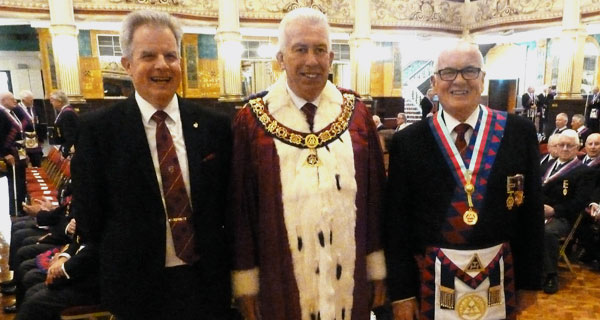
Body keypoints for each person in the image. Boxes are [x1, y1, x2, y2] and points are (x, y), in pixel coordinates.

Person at [71, 10, 232, 319]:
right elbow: (90, 218)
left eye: (171, 55)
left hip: (206, 282)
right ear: (128, 65)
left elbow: (227, 204)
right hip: (135, 288)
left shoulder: (215, 126)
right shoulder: (98, 130)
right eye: (148, 56)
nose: (162, 65)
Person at [229, 7, 386, 320]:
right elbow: (240, 211)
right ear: (281, 58)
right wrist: (245, 284)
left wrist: (377, 269)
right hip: (280, 279)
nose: (311, 61)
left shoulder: (357, 115)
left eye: (320, 50)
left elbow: (376, 201)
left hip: (349, 278)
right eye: (300, 49)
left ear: (331, 58)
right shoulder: (251, 121)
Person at [385, 42, 544, 320]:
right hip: (429, 283)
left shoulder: (519, 132)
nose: (459, 80)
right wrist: (402, 292)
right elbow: (396, 223)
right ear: (433, 83)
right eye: (448, 72)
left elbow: (531, 214)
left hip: (500, 278)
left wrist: (530, 282)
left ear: (483, 79)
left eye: (469, 71)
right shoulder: (408, 141)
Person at [541, 130, 593, 294]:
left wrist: (554, 211)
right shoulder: (548, 165)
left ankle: (550, 275)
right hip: (541, 211)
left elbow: (579, 202)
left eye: (569, 145)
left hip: (564, 217)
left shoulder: (584, 171)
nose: (564, 148)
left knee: (547, 232)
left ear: (578, 147)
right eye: (560, 145)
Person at [0, 91, 26, 216]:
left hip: (19, 150)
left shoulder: (12, 112)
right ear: (4, 100)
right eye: (11, 99)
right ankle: (15, 209)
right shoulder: (1, 113)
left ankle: (21, 206)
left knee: (21, 179)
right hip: (10, 152)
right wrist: (4, 154)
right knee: (14, 181)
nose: (15, 101)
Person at [49, 90, 78, 158]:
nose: (51, 103)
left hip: (70, 149)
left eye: (52, 100)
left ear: (59, 101)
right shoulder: (64, 112)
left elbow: (70, 135)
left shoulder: (67, 113)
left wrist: (65, 149)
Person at [17, 90, 43, 167]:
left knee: (37, 162)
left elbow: (39, 123)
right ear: (23, 100)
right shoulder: (16, 109)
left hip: (35, 141)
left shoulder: (34, 108)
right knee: (23, 163)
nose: (32, 101)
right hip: (22, 142)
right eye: (30, 99)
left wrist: (41, 139)